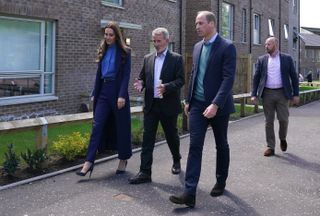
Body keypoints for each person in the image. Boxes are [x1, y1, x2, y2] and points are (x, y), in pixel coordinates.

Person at [169, 11, 236, 208]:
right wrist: (188, 100)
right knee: (194, 146)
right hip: (197, 105)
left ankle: (221, 180)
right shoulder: (197, 47)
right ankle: (189, 193)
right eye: (196, 23)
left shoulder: (227, 47)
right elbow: (195, 74)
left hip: (219, 106)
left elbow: (228, 79)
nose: (196, 26)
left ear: (212, 24)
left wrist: (215, 104)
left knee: (221, 144)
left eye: (200, 23)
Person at [128, 27, 185, 184]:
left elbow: (181, 80)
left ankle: (176, 160)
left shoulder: (176, 58)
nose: (156, 44)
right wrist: (140, 84)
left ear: (167, 40)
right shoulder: (148, 58)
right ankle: (145, 172)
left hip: (168, 105)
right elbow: (142, 78)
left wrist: (167, 87)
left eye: (159, 41)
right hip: (151, 106)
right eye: (154, 41)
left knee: (171, 136)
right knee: (148, 139)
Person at [76, 22, 132, 177]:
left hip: (117, 92)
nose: (107, 37)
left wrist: (121, 95)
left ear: (117, 36)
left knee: (122, 127)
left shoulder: (125, 52)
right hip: (103, 92)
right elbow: (99, 74)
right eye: (106, 34)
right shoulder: (103, 50)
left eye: (110, 34)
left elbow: (126, 75)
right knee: (97, 125)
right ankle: (88, 162)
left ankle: (123, 159)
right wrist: (95, 92)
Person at [250, 36, 299, 157]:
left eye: (268, 44)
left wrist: (296, 94)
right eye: (265, 44)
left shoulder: (287, 59)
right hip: (267, 93)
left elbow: (294, 77)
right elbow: (256, 78)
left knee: (283, 119)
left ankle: (282, 138)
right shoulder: (262, 60)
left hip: (283, 93)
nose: (266, 46)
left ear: (275, 45)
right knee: (269, 121)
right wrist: (254, 94)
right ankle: (270, 146)